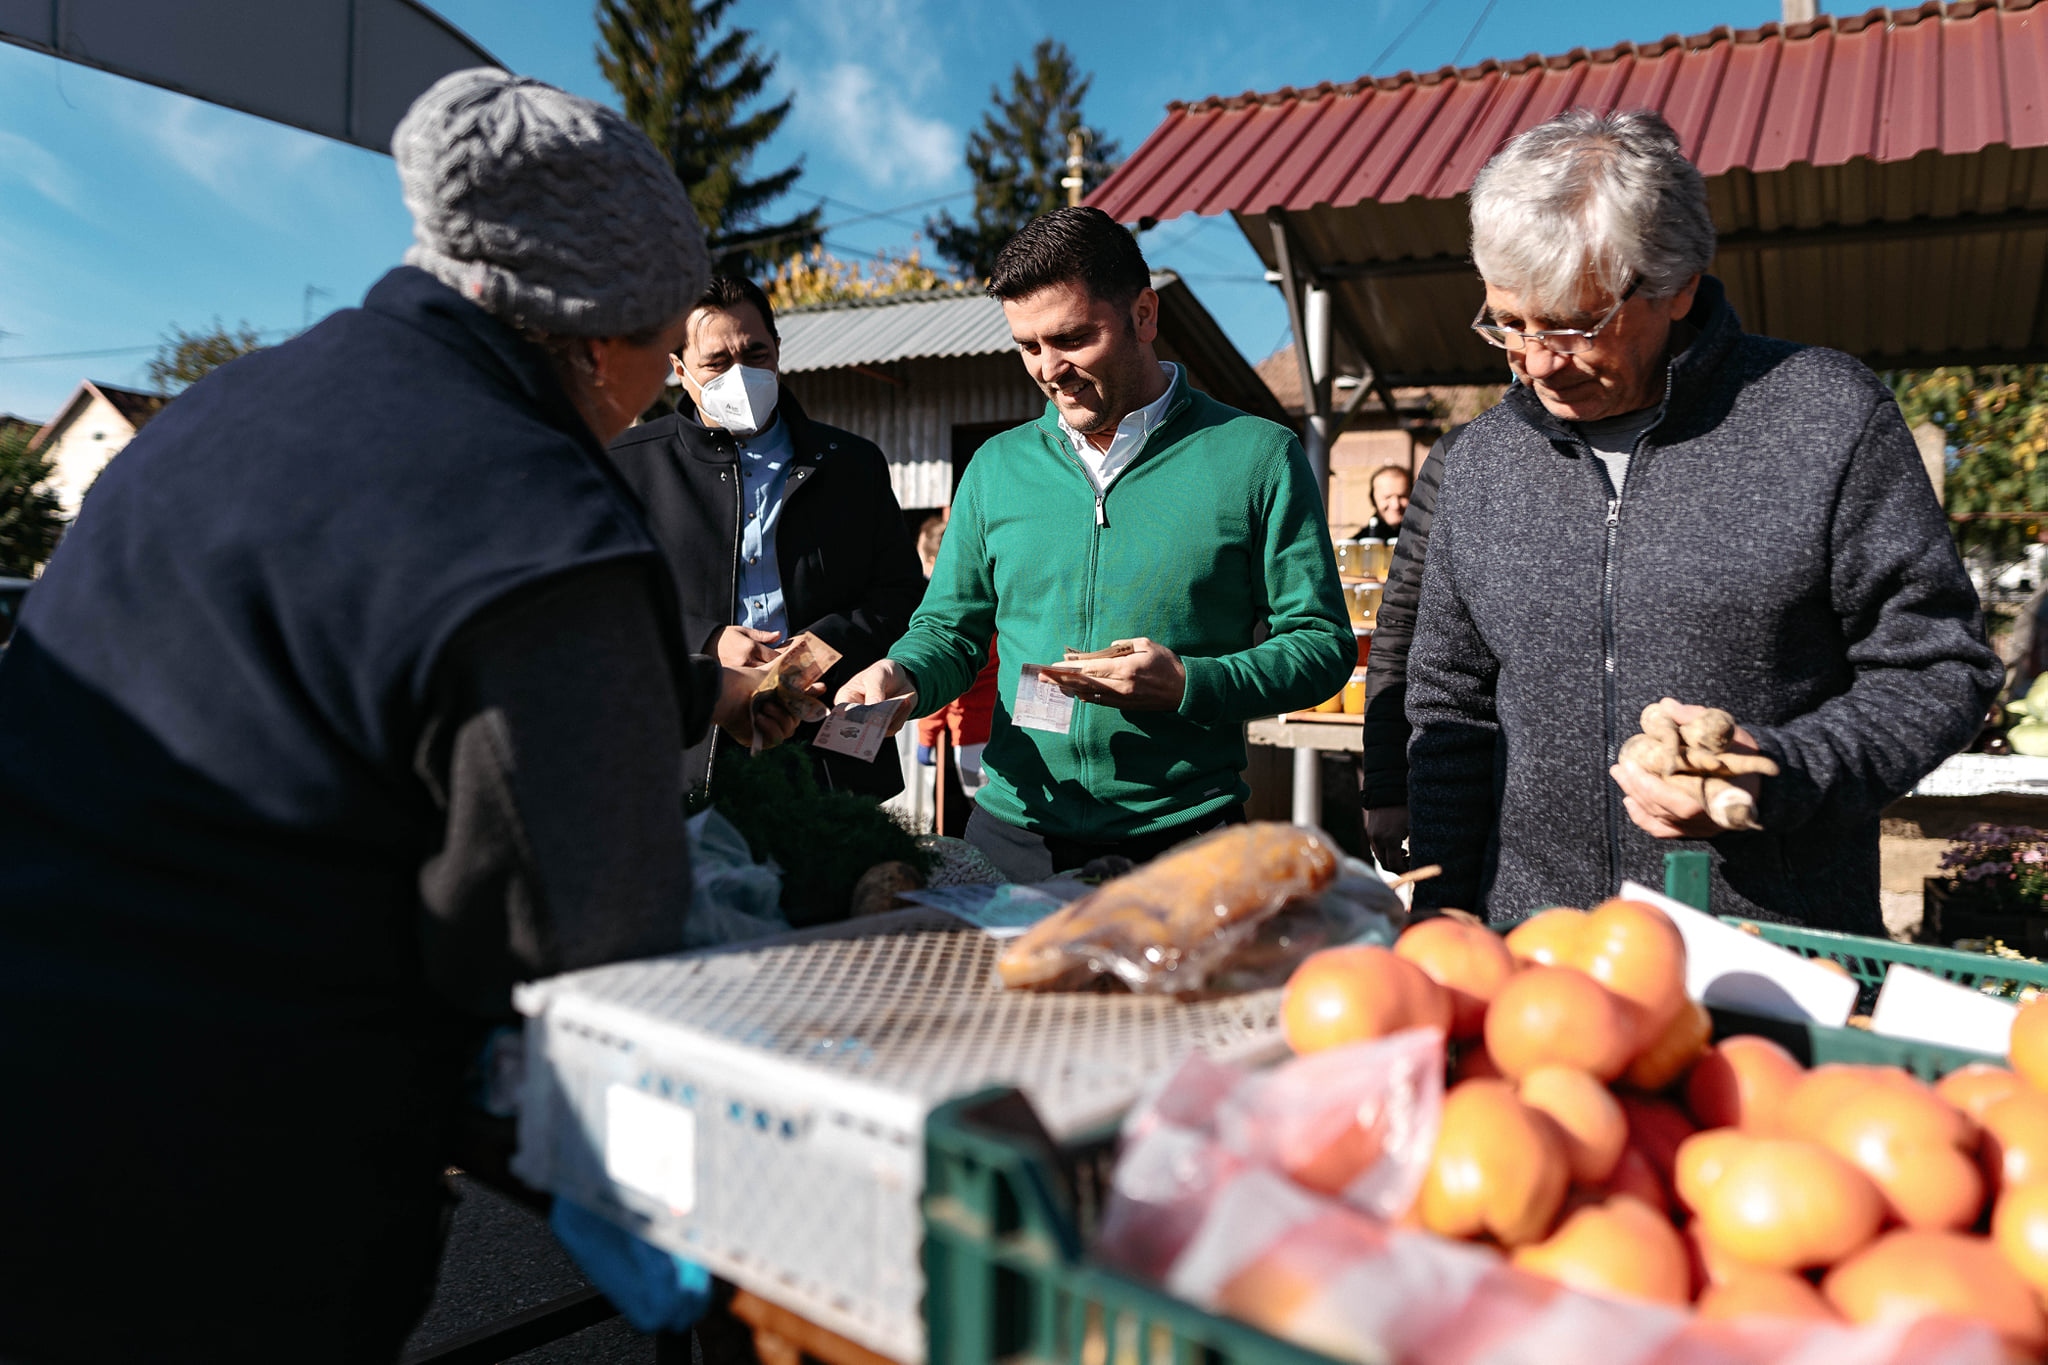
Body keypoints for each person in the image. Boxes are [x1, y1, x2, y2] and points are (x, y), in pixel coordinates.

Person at [0, 71, 805, 1363]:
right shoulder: (543, 513)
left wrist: (700, 686)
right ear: (595, 337)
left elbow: (372, 660)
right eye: (668, 352)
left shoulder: (220, 417)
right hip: (221, 1196)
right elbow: (591, 971)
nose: (665, 389)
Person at [1405, 108, 2001, 931]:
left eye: (1576, 325)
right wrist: (1441, 921)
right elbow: (1450, 705)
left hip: (1773, 955)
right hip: (1539, 954)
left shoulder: (1824, 416)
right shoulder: (1481, 463)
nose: (1537, 362)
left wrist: (1779, 770)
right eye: (1509, 323)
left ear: (1678, 284)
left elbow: (1939, 667)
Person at [837, 207, 1355, 883]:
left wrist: (1190, 684)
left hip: (1184, 841)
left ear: (1144, 314)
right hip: (1013, 833)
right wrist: (902, 673)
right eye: (1028, 346)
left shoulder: (1258, 457)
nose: (1050, 370)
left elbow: (1321, 645)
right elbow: (950, 629)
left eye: (1072, 338)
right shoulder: (996, 467)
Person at [608, 274, 926, 799]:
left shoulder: (851, 464)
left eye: (755, 354)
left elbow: (901, 595)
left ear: (777, 349)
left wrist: (823, 645)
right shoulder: (628, 465)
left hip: (829, 744)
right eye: (716, 362)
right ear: (679, 369)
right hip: (688, 752)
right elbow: (607, 605)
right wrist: (708, 640)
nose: (740, 374)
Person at [1359, 428, 1461, 872]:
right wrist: (1385, 788)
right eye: (1386, 498)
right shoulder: (1363, 544)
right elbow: (1397, 627)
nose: (1396, 505)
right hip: (1442, 760)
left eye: (1402, 495)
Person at [1353, 462, 1412, 541]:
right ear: (1373, 500)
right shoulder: (1359, 544)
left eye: (1402, 497)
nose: (1395, 505)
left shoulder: (1426, 538)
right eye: (1387, 497)